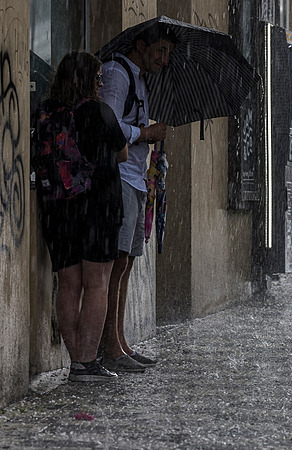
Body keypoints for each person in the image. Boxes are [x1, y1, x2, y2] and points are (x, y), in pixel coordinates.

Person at [33, 51, 128, 382]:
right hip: (98, 207)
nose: (101, 84)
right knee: (97, 283)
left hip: (57, 209)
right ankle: (87, 362)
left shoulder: (46, 112)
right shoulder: (99, 112)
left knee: (68, 284)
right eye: (99, 78)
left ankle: (77, 362)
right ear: (91, 81)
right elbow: (123, 152)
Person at [99, 27, 175, 372]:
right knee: (116, 262)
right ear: (141, 46)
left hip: (136, 180)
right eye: (159, 50)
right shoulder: (117, 74)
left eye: (168, 53)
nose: (163, 59)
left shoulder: (140, 79)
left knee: (126, 262)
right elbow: (107, 124)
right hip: (118, 180)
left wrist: (149, 136)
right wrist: (145, 133)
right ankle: (110, 346)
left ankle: (120, 341)